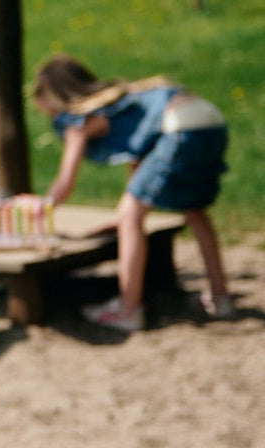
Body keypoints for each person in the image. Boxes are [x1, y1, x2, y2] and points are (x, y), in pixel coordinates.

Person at [31, 54, 232, 333]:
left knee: (131, 217)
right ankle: (221, 298)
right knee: (194, 210)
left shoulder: (79, 119)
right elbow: (139, 159)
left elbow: (66, 182)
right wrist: (124, 213)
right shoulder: (123, 100)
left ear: (55, 94)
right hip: (209, 121)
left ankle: (128, 308)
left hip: (179, 126)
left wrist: (42, 207)